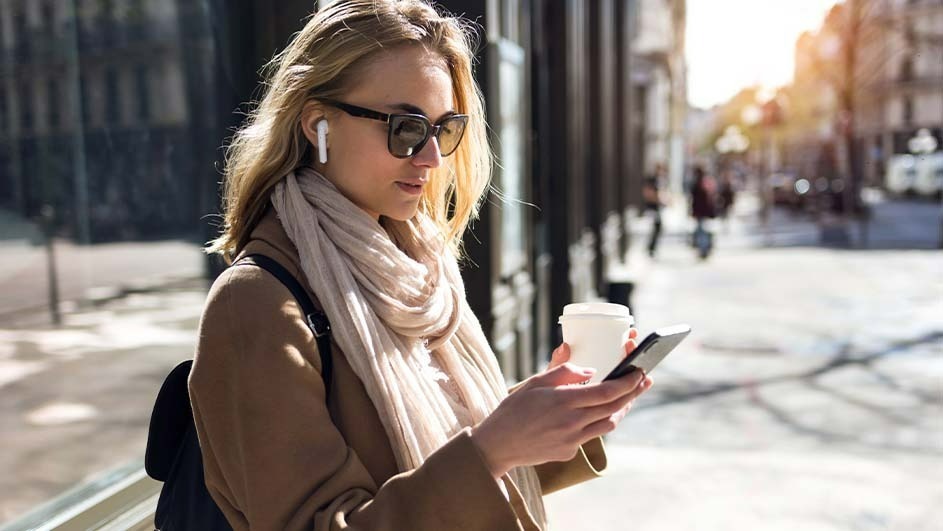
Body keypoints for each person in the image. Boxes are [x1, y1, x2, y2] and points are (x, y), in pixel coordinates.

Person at [190, 2, 654, 530]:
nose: (432, 157)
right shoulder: (257, 304)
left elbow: (434, 457)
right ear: (318, 123)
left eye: (445, 128)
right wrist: (492, 449)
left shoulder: (414, 266)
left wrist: (556, 421)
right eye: (406, 128)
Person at [690, 166, 717, 259]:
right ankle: (703, 249)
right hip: (703, 211)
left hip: (700, 211)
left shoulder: (699, 183)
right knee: (701, 230)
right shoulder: (704, 182)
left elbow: (697, 199)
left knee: (701, 231)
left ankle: (703, 249)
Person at [642, 163, 666, 257]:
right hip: (652, 207)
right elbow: (648, 193)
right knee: (656, 227)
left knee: (657, 228)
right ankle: (650, 248)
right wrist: (658, 200)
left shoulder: (658, 180)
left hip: (656, 207)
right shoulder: (652, 180)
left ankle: (652, 248)